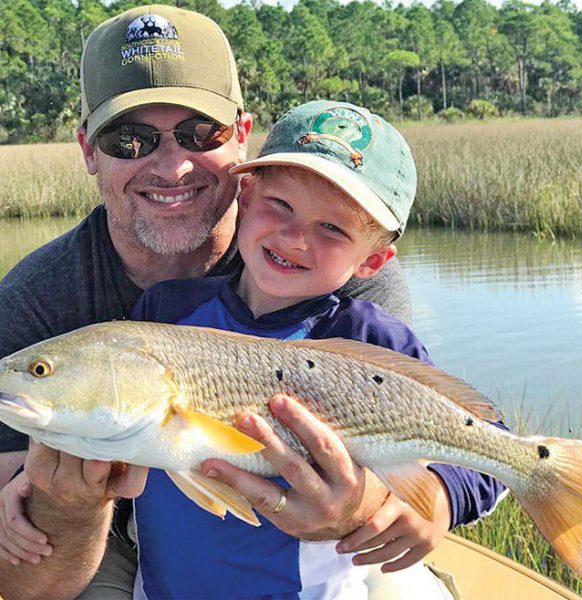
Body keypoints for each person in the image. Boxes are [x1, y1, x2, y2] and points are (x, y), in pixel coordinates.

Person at [0, 5, 417, 599]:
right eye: (129, 138)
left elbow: (409, 437)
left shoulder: (338, 273)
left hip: (311, 554)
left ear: (242, 136)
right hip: (124, 544)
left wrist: (367, 506)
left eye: (202, 133)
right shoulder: (33, 302)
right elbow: (25, 580)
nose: (172, 166)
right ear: (89, 150)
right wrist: (63, 508)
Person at [124, 100, 505, 599]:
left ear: (373, 260)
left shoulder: (372, 339)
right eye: (280, 205)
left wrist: (438, 499)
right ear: (246, 193)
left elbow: (489, 445)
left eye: (332, 229)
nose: (295, 237)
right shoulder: (166, 310)